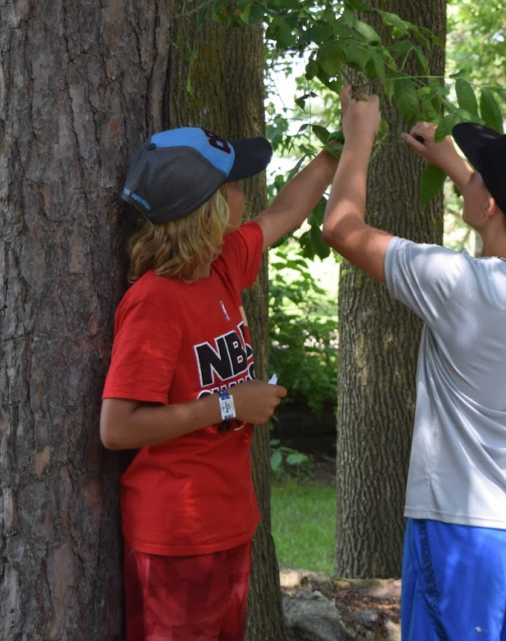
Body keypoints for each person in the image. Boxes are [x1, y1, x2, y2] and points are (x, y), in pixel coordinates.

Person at [322, 86, 506, 641]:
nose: (473, 176)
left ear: (488, 205)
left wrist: (358, 141)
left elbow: (342, 230)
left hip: (459, 530)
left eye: (478, 174)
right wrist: (452, 163)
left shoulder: (458, 285)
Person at [100, 125, 339, 641]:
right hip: (179, 536)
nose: (243, 194)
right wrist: (230, 404)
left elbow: (283, 214)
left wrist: (336, 151)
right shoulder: (155, 301)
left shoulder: (218, 265)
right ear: (206, 208)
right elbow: (117, 427)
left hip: (224, 520)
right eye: (233, 185)